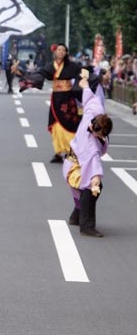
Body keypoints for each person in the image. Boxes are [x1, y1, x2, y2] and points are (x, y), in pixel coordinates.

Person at [62, 72, 112, 237]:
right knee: (92, 189)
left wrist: (84, 84)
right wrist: (96, 178)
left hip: (73, 162)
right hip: (74, 168)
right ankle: (87, 225)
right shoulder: (91, 144)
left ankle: (76, 215)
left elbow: (90, 98)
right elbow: (94, 162)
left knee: (86, 191)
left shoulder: (94, 111)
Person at [36, 44, 83, 163]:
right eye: (59, 50)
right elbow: (39, 74)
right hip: (55, 98)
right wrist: (20, 73)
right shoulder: (51, 66)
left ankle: (72, 151)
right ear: (55, 52)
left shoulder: (72, 66)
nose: (61, 52)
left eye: (63, 50)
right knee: (55, 125)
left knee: (69, 125)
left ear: (66, 53)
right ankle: (58, 152)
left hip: (67, 99)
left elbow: (83, 74)